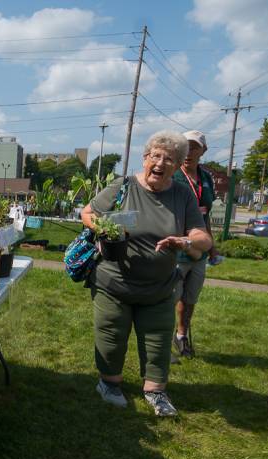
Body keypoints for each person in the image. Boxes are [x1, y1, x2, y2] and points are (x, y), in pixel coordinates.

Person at [80, 131, 212, 417]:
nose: (161, 163)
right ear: (145, 158)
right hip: (113, 283)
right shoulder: (124, 186)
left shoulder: (182, 195)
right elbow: (88, 213)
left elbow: (204, 239)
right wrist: (105, 228)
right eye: (156, 156)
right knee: (111, 336)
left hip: (159, 288)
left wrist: (185, 242)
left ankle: (156, 392)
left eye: (169, 159)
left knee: (158, 342)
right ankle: (109, 384)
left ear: (177, 166)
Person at [171, 131, 218, 361]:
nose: (189, 152)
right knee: (171, 295)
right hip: (177, 246)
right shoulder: (172, 174)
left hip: (199, 248)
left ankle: (181, 336)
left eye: (194, 147)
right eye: (185, 147)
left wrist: (212, 246)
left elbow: (205, 215)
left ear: (203, 150)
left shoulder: (207, 178)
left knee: (190, 297)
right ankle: (160, 341)